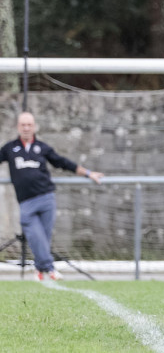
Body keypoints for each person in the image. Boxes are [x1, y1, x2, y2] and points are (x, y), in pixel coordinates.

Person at [0, 112, 104, 280]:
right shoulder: (10, 148)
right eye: (23, 125)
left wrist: (88, 173)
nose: (26, 128)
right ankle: (50, 268)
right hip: (26, 203)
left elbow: (63, 162)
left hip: (46, 198)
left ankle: (39, 270)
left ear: (34, 127)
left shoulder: (42, 147)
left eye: (29, 125)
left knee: (44, 238)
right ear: (18, 127)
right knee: (35, 236)